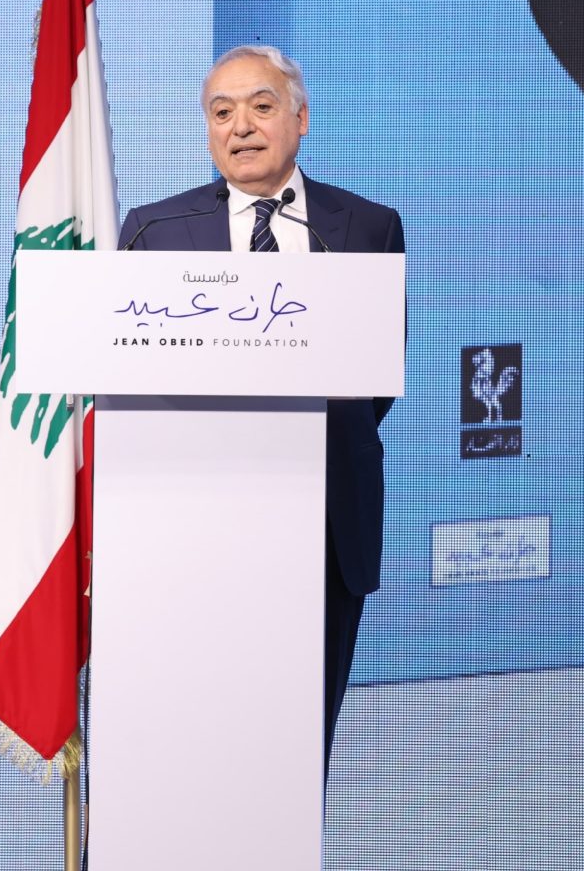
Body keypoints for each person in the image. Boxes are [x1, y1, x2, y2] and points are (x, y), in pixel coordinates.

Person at [117, 45, 405, 779]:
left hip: (327, 526)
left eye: (261, 106)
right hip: (194, 530)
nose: (240, 126)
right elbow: (132, 382)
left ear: (300, 119)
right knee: (199, 748)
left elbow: (375, 386)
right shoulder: (154, 232)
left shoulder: (367, 227)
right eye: (221, 112)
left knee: (299, 756)